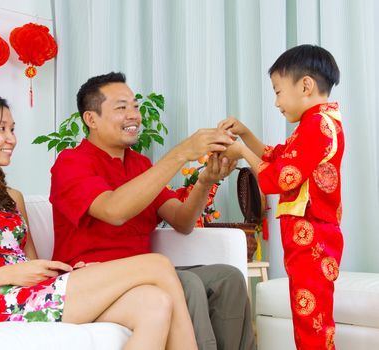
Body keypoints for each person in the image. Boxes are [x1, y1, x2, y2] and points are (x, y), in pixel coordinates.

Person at [0, 92, 199, 350]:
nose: (12, 139)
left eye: (12, 129)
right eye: (1, 130)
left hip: (28, 294)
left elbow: (31, 267)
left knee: (154, 303)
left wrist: (66, 274)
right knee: (157, 265)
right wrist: (9, 275)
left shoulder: (11, 197)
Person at [50, 72, 256, 350]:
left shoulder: (141, 165)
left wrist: (206, 180)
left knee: (227, 278)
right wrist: (181, 153)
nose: (134, 115)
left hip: (147, 271)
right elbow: (114, 210)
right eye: (121, 107)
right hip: (96, 279)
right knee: (189, 284)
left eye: (135, 106)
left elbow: (182, 221)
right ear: (91, 119)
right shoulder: (71, 162)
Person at [218, 44, 344, 350]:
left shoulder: (317, 125)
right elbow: (275, 158)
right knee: (309, 320)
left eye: (277, 91)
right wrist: (246, 134)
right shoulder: (313, 124)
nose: (276, 102)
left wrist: (242, 152)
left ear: (305, 85)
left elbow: (278, 177)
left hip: (312, 237)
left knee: (312, 323)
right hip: (308, 236)